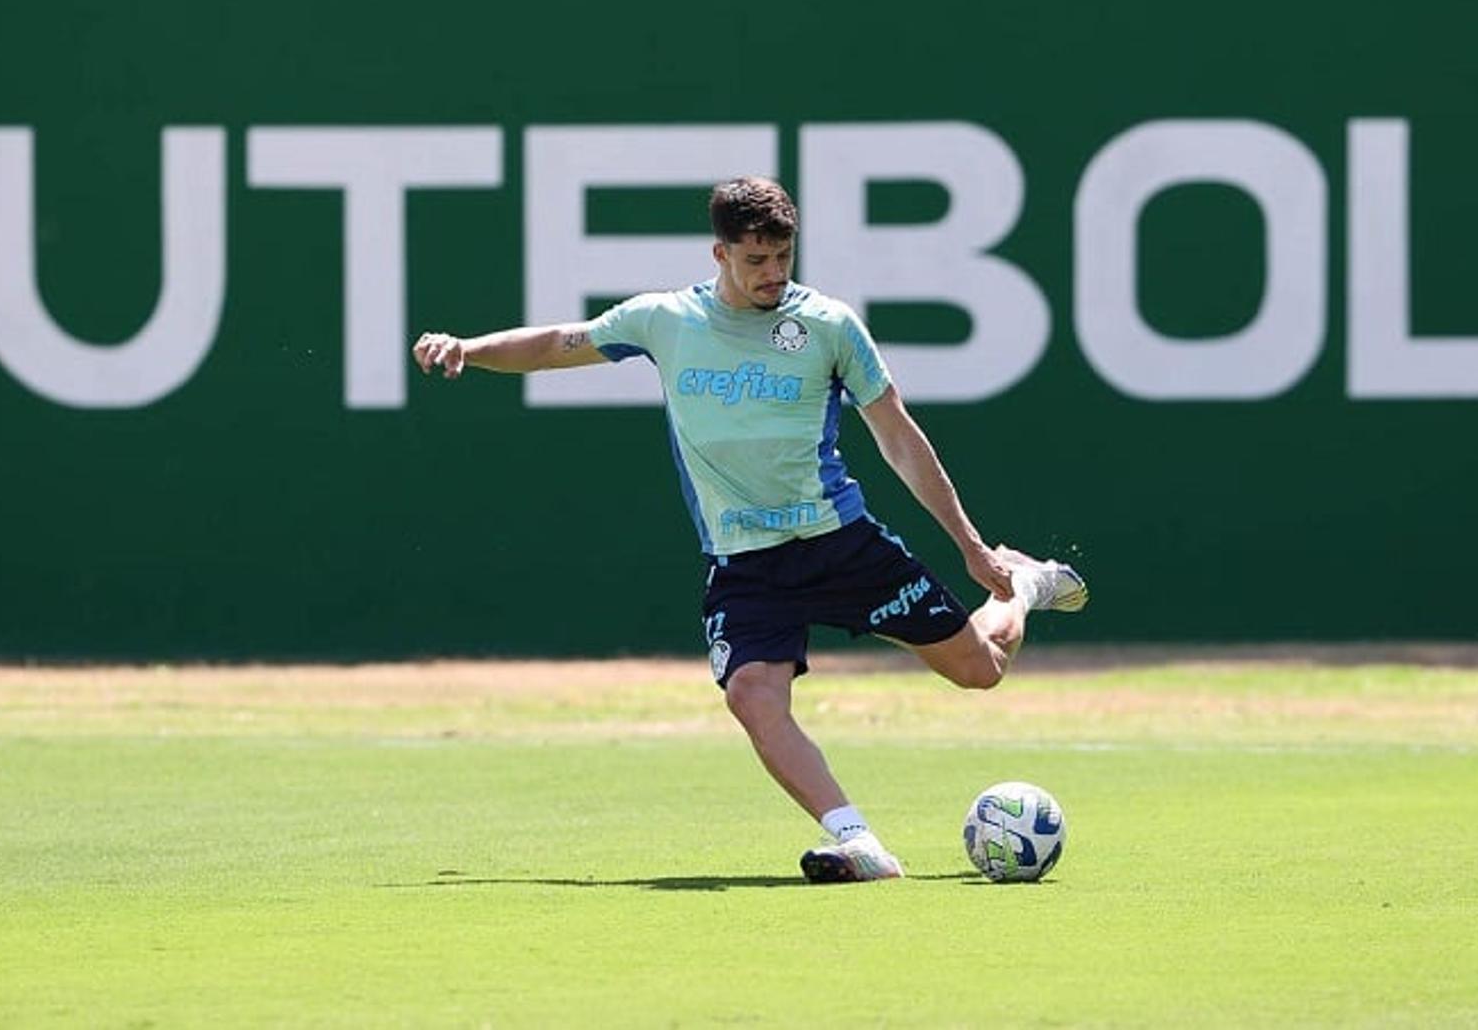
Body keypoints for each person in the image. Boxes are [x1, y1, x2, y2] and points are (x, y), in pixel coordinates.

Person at [411, 176, 1087, 883]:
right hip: (746, 565)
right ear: (720, 253)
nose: (772, 275)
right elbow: (556, 343)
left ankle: (1026, 586)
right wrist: (470, 346)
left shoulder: (827, 325)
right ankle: (859, 843)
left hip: (839, 545)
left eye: (783, 258)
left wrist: (971, 548)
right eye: (756, 260)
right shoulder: (664, 320)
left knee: (979, 670)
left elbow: (900, 440)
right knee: (752, 696)